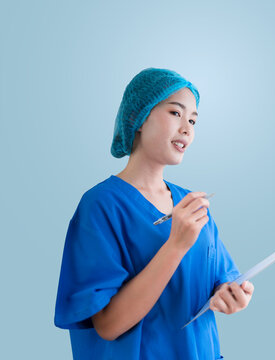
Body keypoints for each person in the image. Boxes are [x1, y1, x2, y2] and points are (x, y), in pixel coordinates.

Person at [54, 67, 254, 359]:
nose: (187, 128)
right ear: (137, 117)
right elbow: (109, 325)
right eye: (176, 113)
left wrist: (232, 295)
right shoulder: (101, 206)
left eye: (193, 120)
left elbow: (223, 280)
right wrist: (175, 245)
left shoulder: (193, 206)